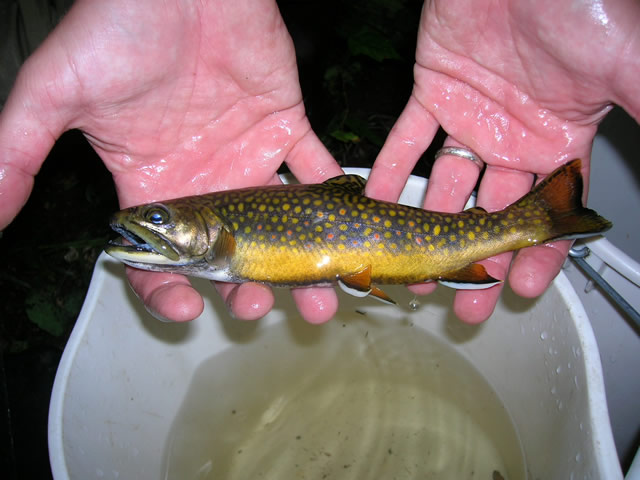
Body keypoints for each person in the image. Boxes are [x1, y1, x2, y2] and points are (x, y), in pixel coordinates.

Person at [1, 0, 638, 325]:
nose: (148, 225)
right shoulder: (226, 234)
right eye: (159, 222)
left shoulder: (229, 233)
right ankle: (534, 220)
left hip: (380, 244)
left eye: (162, 220)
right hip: (375, 247)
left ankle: (536, 219)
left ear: (203, 225)